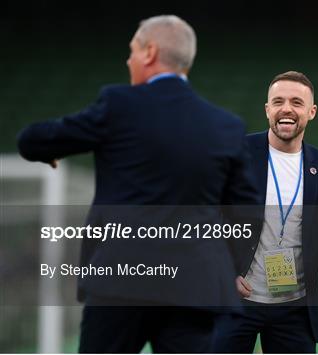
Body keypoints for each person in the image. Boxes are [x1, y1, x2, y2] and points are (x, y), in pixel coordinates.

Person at [17, 15, 259, 353]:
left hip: (121, 281)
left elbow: (33, 140)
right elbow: (248, 213)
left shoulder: (119, 105)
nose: (128, 59)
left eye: (132, 50)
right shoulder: (226, 126)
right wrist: (229, 267)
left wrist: (49, 151)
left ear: (149, 52)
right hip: (195, 285)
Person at [212, 71, 318, 353]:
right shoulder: (236, 154)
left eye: (297, 102)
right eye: (278, 101)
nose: (287, 109)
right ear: (267, 109)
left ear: (312, 111)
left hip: (294, 309)